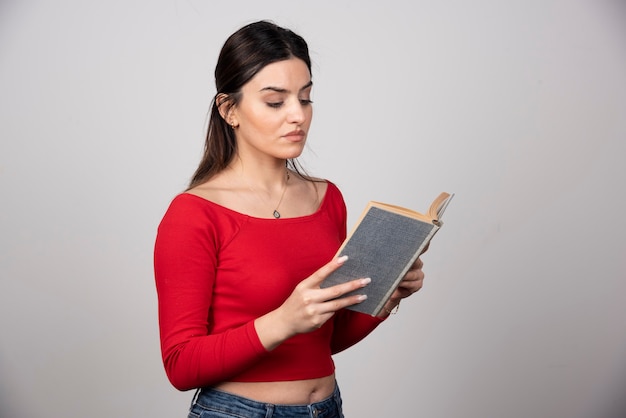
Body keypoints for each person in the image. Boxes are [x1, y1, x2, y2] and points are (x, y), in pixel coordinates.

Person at [154, 20, 426, 418]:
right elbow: (180, 365)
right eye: (276, 101)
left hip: (327, 408)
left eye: (306, 98)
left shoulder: (327, 198)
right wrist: (282, 320)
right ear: (229, 110)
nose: (297, 115)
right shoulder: (194, 214)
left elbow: (323, 339)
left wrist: (388, 296)